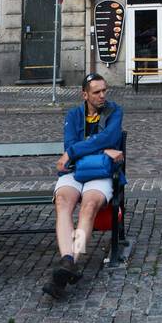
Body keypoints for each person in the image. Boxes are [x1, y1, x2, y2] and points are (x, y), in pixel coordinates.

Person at [45, 73, 124, 300]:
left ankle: (71, 259)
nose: (102, 96)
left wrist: (75, 151)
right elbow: (72, 143)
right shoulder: (74, 115)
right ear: (85, 94)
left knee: (89, 206)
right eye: (97, 92)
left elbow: (110, 137)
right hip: (75, 171)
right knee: (62, 202)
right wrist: (101, 150)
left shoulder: (114, 111)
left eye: (104, 90)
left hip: (100, 172)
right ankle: (68, 261)